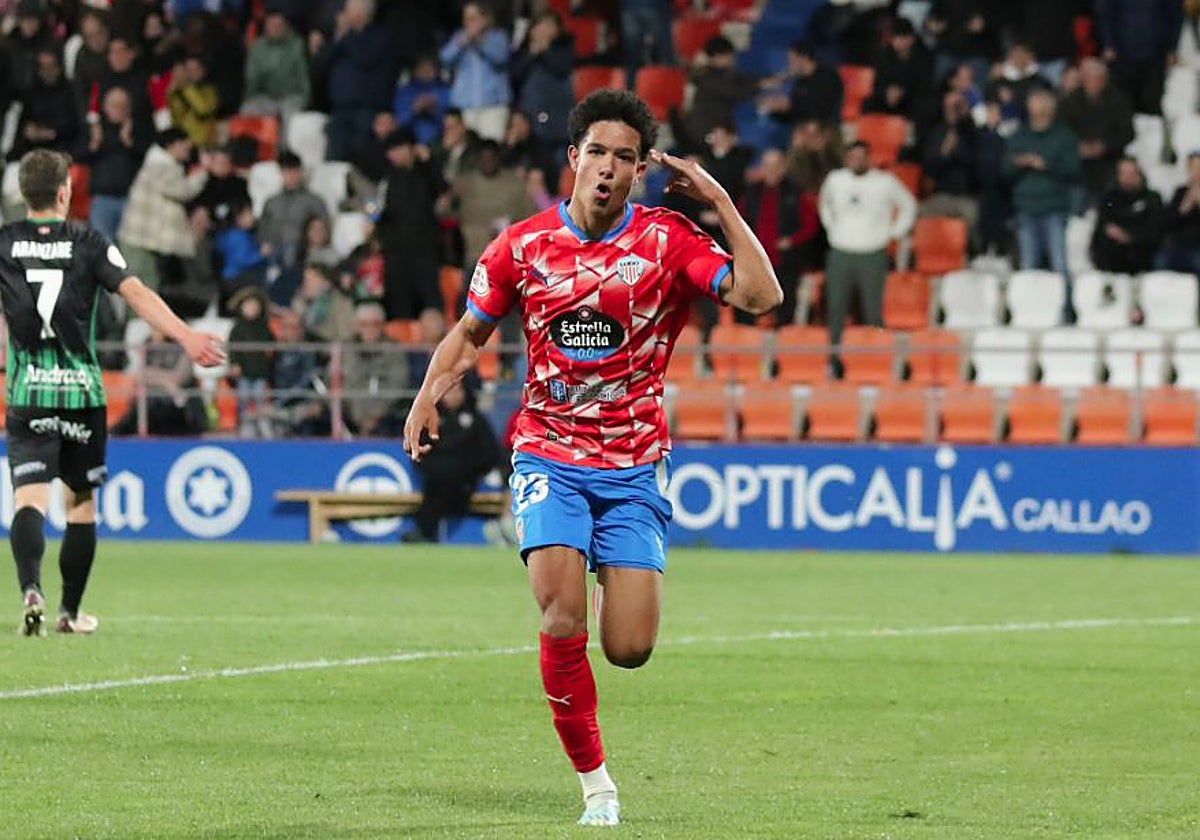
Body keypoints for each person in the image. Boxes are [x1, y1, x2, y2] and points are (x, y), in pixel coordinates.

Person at [403, 89, 782, 827]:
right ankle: (597, 786)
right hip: (547, 449)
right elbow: (469, 333)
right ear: (573, 158)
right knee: (558, 614)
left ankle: (616, 580)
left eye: (625, 159)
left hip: (635, 464)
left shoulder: (670, 241)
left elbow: (762, 298)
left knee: (630, 648)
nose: (608, 168)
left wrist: (721, 201)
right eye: (598, 153)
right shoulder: (521, 246)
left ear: (640, 172)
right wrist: (427, 396)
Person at [0, 149, 224, 636]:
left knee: (29, 502)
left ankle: (30, 590)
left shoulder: (5, 243)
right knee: (80, 503)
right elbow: (136, 292)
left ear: (23, 194)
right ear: (65, 191)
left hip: (27, 391)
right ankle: (70, 613)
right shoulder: (89, 242)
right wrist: (187, 336)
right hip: (81, 393)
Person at [818, 140, 916, 364]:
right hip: (840, 251)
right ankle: (834, 362)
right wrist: (831, 227)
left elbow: (908, 205)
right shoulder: (835, 179)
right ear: (847, 158)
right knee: (836, 310)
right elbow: (824, 204)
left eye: (862, 156)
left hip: (872, 253)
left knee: (872, 310)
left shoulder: (885, 182)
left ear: (869, 159)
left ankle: (875, 359)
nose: (857, 161)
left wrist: (894, 232)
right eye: (853, 157)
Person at [403, 380, 500, 544]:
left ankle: (424, 531)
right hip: (435, 478)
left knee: (450, 480)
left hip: (465, 481)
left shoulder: (476, 420)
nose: (452, 395)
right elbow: (420, 450)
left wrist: (468, 467)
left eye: (456, 390)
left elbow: (490, 454)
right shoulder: (431, 418)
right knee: (440, 481)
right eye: (448, 391)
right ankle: (425, 531)